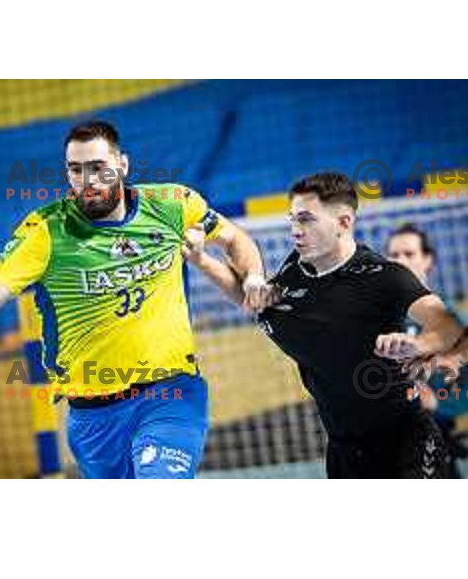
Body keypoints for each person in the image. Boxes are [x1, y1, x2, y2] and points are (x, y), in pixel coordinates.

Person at [0, 120, 268, 479]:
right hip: (91, 416)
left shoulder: (171, 204)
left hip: (169, 393)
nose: (88, 180)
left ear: (123, 165)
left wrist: (252, 276)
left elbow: (235, 239)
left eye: (99, 167)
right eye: (76, 169)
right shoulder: (47, 233)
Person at [184, 172, 467, 478]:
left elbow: (447, 323)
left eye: (306, 220)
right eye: (292, 220)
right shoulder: (295, 270)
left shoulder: (384, 276)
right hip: (344, 450)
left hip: (406, 443)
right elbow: (250, 300)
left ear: (344, 222)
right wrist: (201, 260)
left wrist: (419, 344)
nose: (295, 230)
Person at [386, 223, 468, 476]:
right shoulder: (376, 317)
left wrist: (439, 405)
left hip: (434, 444)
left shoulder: (449, 320)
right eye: (394, 255)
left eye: (409, 254)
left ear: (428, 260)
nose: (401, 261)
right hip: (381, 445)